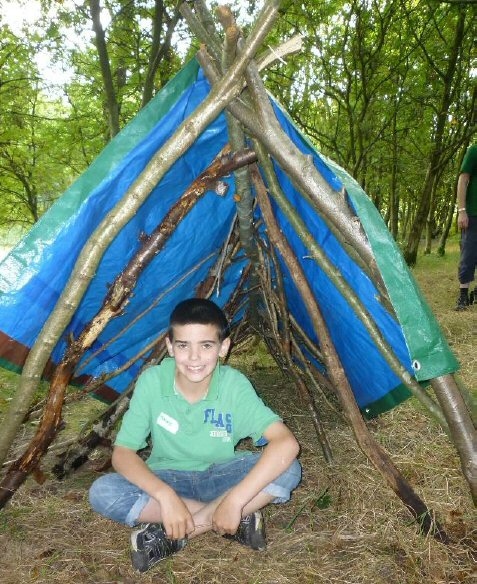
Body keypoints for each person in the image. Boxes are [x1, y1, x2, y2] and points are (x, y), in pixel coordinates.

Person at [89, 298, 302, 573]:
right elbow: (122, 453)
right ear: (169, 346)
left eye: (206, 345)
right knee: (103, 491)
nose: (194, 358)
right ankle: (232, 520)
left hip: (221, 476)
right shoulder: (152, 381)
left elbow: (285, 443)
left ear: (223, 347)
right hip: (167, 477)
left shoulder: (234, 385)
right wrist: (166, 497)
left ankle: (182, 534)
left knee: (288, 468)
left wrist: (235, 500)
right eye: (183, 346)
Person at [455, 143, 477, 310]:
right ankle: (463, 295)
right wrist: (462, 210)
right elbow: (463, 179)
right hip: (473, 213)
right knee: (468, 254)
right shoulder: (474, 150)